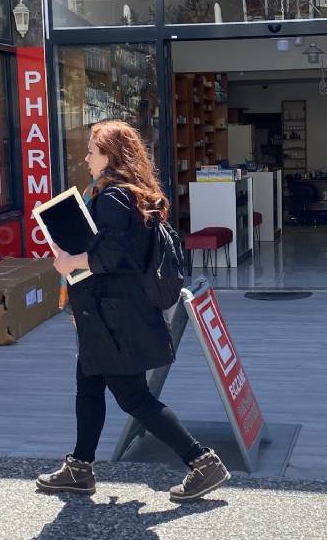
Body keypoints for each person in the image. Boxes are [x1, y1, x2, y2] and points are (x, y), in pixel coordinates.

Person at [37, 120, 230, 502]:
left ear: (109, 155)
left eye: (92, 151)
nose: (87, 157)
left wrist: (69, 261)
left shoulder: (113, 198)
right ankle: (80, 467)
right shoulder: (136, 194)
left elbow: (110, 255)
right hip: (111, 315)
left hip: (114, 320)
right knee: (88, 387)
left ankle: (202, 462)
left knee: (134, 399)